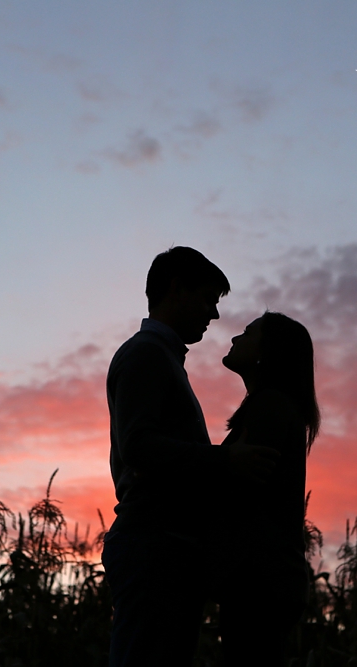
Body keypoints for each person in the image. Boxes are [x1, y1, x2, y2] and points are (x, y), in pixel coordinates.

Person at [102, 246, 280, 667]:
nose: (214, 316)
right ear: (176, 289)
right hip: (155, 546)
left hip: (166, 548)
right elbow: (138, 446)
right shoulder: (147, 354)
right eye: (208, 300)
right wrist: (225, 461)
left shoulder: (161, 358)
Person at [218, 311, 321, 667]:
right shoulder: (275, 407)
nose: (234, 339)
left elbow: (235, 487)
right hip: (267, 579)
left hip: (258, 582)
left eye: (246, 334)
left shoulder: (271, 406)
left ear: (267, 352)